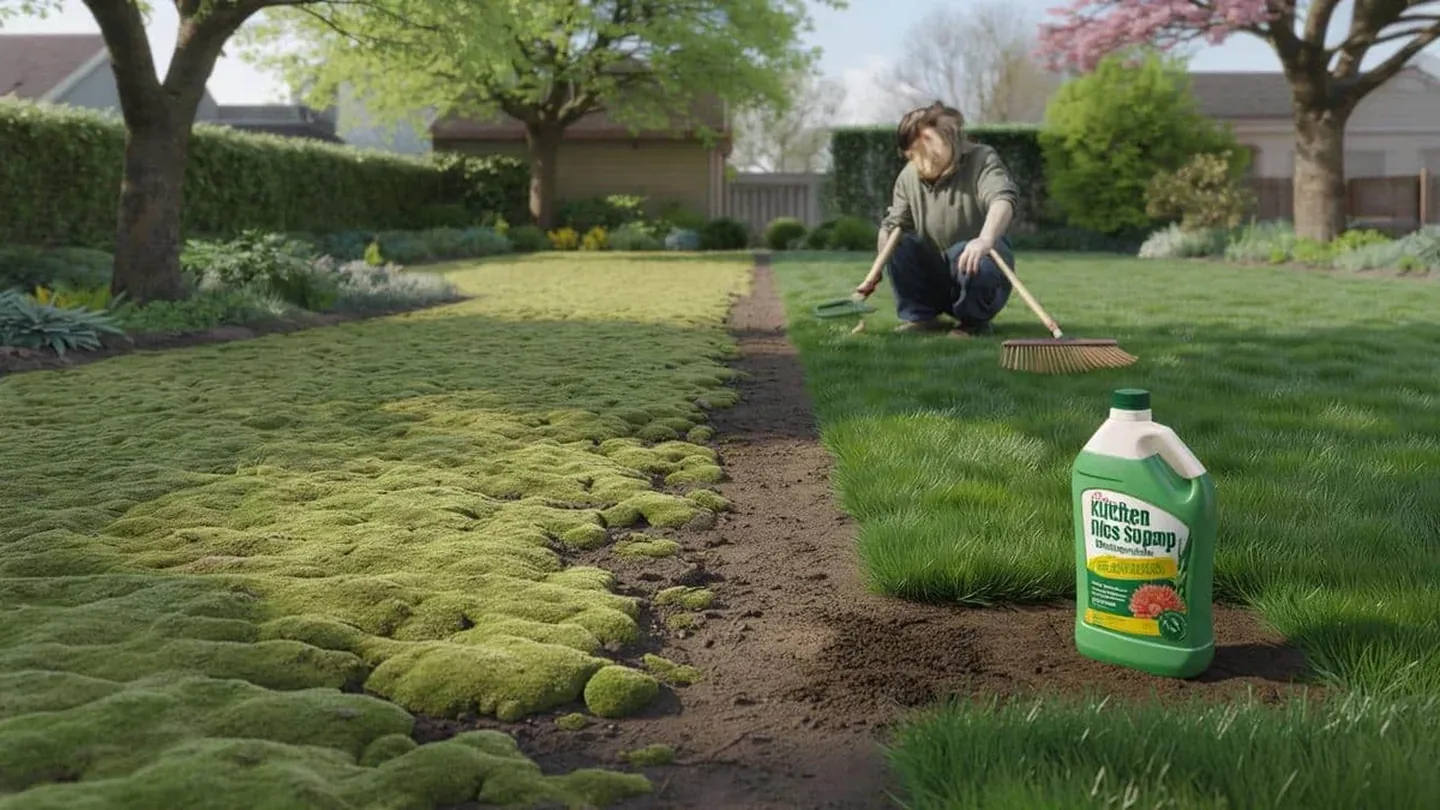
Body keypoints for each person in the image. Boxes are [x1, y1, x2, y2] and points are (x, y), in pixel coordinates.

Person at [857, 101, 1021, 338]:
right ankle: (922, 317)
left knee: (967, 251)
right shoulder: (909, 176)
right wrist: (876, 272)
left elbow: (1002, 198)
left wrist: (984, 240)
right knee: (900, 241)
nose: (921, 160)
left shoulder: (981, 158)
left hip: (980, 267)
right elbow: (893, 227)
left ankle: (972, 323)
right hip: (938, 270)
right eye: (913, 154)